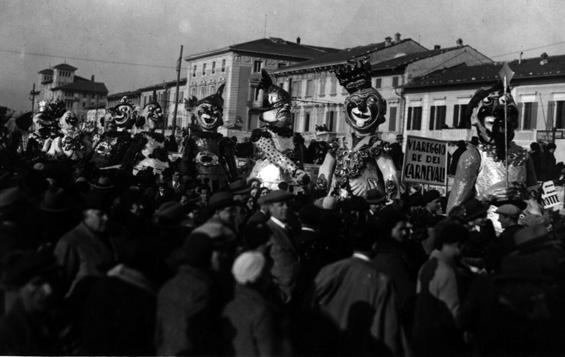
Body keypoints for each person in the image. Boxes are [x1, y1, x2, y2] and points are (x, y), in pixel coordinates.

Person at [310, 222, 407, 356]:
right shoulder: (380, 281)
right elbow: (389, 331)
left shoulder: (329, 270)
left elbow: (311, 306)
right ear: (375, 245)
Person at [412, 220, 468, 356]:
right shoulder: (446, 272)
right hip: (442, 342)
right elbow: (454, 314)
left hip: (424, 337)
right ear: (458, 245)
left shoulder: (428, 266)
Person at [221, 251, 290, 356]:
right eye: (267, 273)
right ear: (259, 277)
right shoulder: (262, 312)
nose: (271, 279)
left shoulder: (228, 307)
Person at [54, 190, 119, 296]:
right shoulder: (70, 242)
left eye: (107, 213)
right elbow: (59, 283)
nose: (106, 218)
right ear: (86, 214)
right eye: (100, 214)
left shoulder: (109, 238)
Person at [0, 250, 61, 355]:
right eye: (37, 283)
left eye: (51, 281)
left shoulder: (53, 321)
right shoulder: (7, 332)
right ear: (19, 288)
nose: (48, 290)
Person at [261, 190, 300, 304]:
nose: (286, 208)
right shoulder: (268, 230)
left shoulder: (287, 228)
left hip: (293, 291)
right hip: (280, 294)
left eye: (287, 204)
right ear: (270, 208)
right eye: (281, 205)